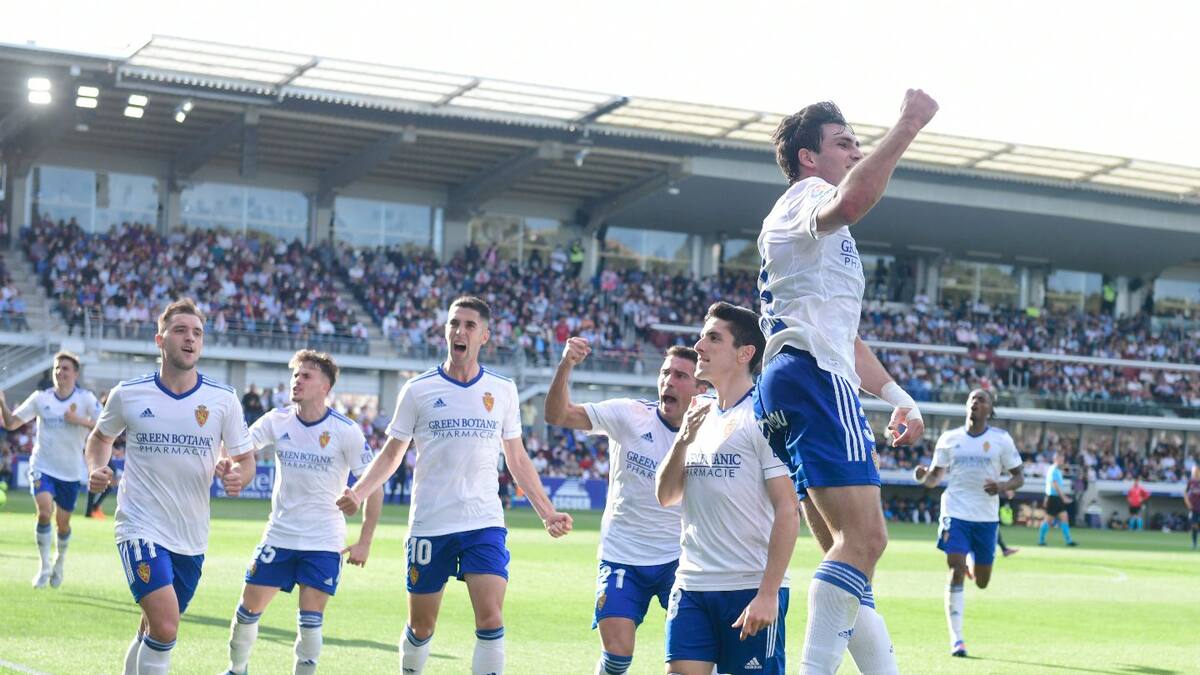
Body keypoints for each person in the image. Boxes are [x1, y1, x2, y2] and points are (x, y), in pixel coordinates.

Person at [754, 91, 936, 673]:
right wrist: (908, 124)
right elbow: (856, 198)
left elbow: (844, 335)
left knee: (848, 560)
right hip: (811, 377)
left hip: (794, 377)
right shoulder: (809, 197)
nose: (857, 150)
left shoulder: (810, 231)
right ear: (809, 158)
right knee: (867, 542)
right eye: (844, 143)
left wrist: (897, 395)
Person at [336, 295, 572, 675]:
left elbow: (517, 457)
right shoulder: (418, 390)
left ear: (484, 336)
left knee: (491, 618)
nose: (459, 331)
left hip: (483, 522)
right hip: (431, 523)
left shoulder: (503, 389)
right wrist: (359, 491)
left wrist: (546, 512)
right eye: (453, 323)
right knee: (422, 625)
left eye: (469, 325)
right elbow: (392, 453)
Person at [86, 298, 254, 675]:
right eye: (180, 330)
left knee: (151, 627)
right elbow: (99, 438)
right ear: (160, 340)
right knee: (165, 625)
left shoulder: (223, 399)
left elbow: (246, 462)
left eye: (197, 333)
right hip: (139, 525)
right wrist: (98, 467)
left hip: (191, 536)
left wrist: (235, 477)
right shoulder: (128, 393)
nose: (190, 338)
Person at [544, 341, 707, 675]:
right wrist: (566, 365)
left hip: (679, 561)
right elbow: (556, 414)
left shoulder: (712, 432)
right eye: (665, 373)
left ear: (700, 387)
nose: (668, 382)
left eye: (680, 375)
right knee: (617, 656)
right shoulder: (630, 415)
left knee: (694, 658)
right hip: (622, 556)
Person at [656, 302, 800, 675]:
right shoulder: (698, 413)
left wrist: (768, 594)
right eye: (704, 335)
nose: (699, 345)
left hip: (748, 587)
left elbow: (788, 509)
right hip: (691, 584)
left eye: (713, 338)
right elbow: (666, 494)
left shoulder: (763, 416)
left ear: (745, 353)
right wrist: (684, 439)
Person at [225, 350, 384, 675]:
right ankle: (236, 669)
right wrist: (227, 463)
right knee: (246, 611)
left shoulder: (346, 430)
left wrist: (365, 540)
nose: (297, 381)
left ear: (325, 387)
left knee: (310, 621)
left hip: (324, 541)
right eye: (295, 375)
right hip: (279, 535)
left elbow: (375, 484)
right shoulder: (276, 419)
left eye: (306, 375)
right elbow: (240, 449)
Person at [913, 389, 1024, 657]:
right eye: (972, 398)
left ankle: (973, 563)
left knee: (983, 581)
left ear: (990, 410)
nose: (975, 402)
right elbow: (934, 479)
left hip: (986, 518)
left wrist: (1002, 485)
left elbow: (1019, 477)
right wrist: (922, 477)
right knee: (955, 568)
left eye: (982, 399)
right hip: (956, 511)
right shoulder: (950, 439)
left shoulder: (1001, 440)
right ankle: (957, 639)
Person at [0, 351, 100, 588]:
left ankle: (59, 561)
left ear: (75, 373)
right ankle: (44, 567)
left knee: (62, 523)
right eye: (57, 368)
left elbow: (105, 425)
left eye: (65, 368)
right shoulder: (40, 398)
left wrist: (79, 421)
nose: (60, 372)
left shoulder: (86, 399)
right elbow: (13, 423)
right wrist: (3, 404)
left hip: (71, 471)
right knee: (44, 512)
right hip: (42, 465)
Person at [1038, 451, 1077, 547]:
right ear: (1055, 459)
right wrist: (1063, 497)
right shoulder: (1053, 469)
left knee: (1064, 518)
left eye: (1062, 459)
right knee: (1048, 520)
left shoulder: (1058, 470)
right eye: (1060, 459)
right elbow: (1054, 484)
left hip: (1057, 498)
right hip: (1053, 498)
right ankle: (1041, 540)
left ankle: (1069, 541)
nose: (1062, 461)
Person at [1184, 466, 1200, 550]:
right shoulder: (1190, 482)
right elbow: (1185, 494)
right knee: (1194, 525)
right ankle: (1194, 543)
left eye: (1196, 471)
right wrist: (1188, 503)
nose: (1195, 472)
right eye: (1193, 471)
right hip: (1194, 508)